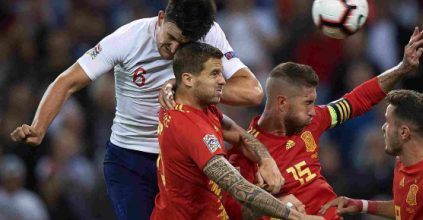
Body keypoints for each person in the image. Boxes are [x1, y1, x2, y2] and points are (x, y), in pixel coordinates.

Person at [9, 0, 264, 219]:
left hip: (183, 159)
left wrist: (187, 87)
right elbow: (67, 81)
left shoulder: (209, 34)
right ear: (161, 18)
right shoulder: (127, 39)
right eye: (171, 38)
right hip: (130, 159)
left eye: (183, 44)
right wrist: (39, 126)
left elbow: (252, 91)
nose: (173, 50)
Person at [224, 27, 423, 219]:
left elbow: (356, 100)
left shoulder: (311, 121)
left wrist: (402, 68)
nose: (314, 111)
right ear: (282, 103)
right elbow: (235, 211)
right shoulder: (247, 152)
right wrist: (280, 207)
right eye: (307, 103)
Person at [152, 42, 322, 220]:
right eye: (214, 74)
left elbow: (240, 136)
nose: (223, 80)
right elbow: (238, 188)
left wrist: (265, 158)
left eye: (221, 73)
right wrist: (296, 217)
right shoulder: (190, 127)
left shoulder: (194, 104)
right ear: (188, 79)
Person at [318, 90, 423, 220]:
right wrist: (360, 205)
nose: (383, 128)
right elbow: (404, 208)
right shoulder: (402, 162)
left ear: (404, 132)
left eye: (387, 122)